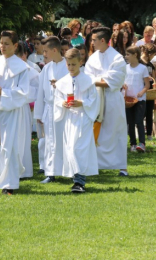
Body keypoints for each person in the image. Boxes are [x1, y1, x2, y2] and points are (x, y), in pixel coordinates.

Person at [0, 30, 30, 195]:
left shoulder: (22, 68)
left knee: (9, 146)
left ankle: (9, 184)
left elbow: (24, 93)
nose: (2, 46)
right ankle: (5, 176)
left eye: (6, 43)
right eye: (1, 43)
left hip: (11, 111)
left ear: (15, 46)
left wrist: (3, 91)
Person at [54, 48, 99, 193]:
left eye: (74, 64)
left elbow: (94, 100)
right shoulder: (62, 82)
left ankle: (79, 181)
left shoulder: (88, 81)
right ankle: (77, 179)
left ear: (80, 62)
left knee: (79, 148)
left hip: (83, 118)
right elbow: (57, 99)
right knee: (71, 148)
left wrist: (83, 103)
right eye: (68, 65)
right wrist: (63, 104)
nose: (71, 68)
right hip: (70, 119)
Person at [85, 27, 128, 175]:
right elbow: (87, 77)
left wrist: (95, 80)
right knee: (98, 131)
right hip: (96, 98)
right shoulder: (93, 57)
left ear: (102, 40)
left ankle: (122, 166)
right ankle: (96, 164)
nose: (92, 43)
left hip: (112, 99)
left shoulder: (117, 58)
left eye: (94, 40)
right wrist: (99, 80)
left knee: (116, 131)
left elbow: (112, 82)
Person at [34, 36, 69, 183]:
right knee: (50, 142)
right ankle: (51, 172)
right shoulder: (46, 68)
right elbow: (40, 92)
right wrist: (39, 113)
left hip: (64, 108)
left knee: (65, 140)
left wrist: (60, 85)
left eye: (46, 51)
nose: (44, 54)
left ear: (55, 50)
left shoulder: (68, 65)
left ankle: (69, 169)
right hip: (49, 108)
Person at [15, 42, 40, 179]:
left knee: (23, 139)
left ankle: (24, 170)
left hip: (23, 108)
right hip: (8, 108)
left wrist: (21, 94)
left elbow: (36, 91)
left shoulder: (31, 71)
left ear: (24, 56)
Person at [124, 46, 150, 152]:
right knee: (130, 122)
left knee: (138, 121)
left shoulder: (142, 68)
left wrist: (142, 92)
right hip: (128, 100)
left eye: (128, 55)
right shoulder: (125, 68)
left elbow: (147, 84)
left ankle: (142, 143)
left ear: (135, 55)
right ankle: (133, 144)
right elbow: (123, 82)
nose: (126, 57)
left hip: (140, 100)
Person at [141, 43, 156, 139]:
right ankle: (140, 132)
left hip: (150, 92)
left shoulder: (151, 64)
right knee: (141, 113)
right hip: (142, 90)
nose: (153, 57)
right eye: (153, 54)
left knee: (149, 113)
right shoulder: (139, 63)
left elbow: (154, 78)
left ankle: (149, 134)